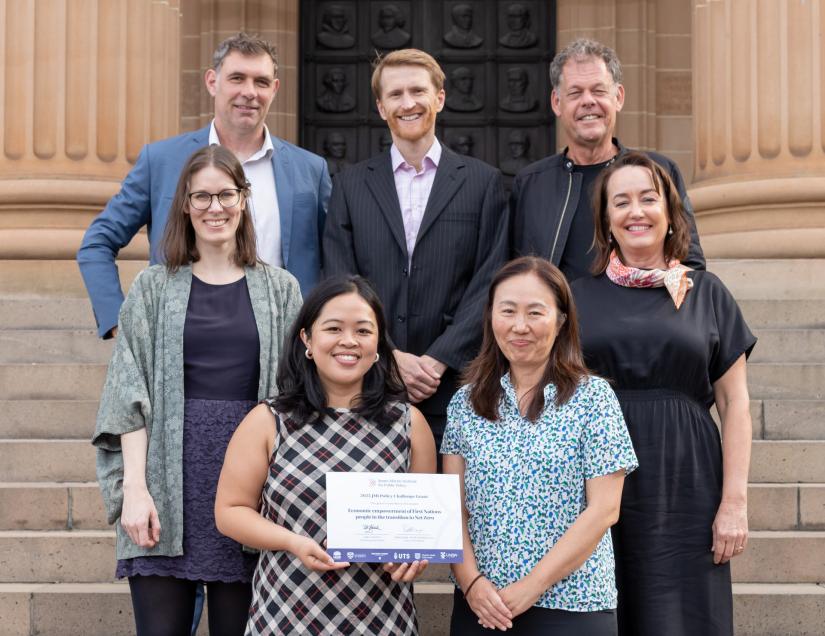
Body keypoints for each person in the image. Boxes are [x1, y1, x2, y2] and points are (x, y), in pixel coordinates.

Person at [92, 145, 303, 636]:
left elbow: (298, 394)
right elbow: (129, 391)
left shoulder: (282, 289)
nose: (215, 207)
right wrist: (136, 490)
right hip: (167, 479)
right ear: (185, 205)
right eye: (201, 196)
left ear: (244, 198)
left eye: (226, 194)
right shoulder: (152, 288)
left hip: (251, 485)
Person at [571, 152, 756, 635]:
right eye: (621, 202)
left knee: (683, 614)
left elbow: (735, 403)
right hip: (597, 479)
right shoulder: (575, 298)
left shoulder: (708, 292)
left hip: (688, 479)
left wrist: (734, 502)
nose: (637, 211)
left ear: (671, 213)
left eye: (649, 199)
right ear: (606, 220)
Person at [215, 275, 436, 634]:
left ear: (379, 342)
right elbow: (229, 512)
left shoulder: (409, 424)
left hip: (381, 620)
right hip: (286, 616)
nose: (348, 341)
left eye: (363, 331)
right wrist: (293, 542)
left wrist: (414, 555)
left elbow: (423, 529)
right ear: (307, 338)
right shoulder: (268, 420)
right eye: (333, 328)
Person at [78, 32, 330, 339]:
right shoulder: (161, 161)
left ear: (274, 89)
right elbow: (97, 243)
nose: (249, 92)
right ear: (212, 81)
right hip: (184, 346)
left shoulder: (310, 169)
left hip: (284, 348)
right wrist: (121, 325)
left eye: (261, 82)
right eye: (237, 78)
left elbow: (338, 258)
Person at [323, 49, 509, 452]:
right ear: (380, 106)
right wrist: (389, 356)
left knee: (455, 511)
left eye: (417, 91)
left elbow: (490, 282)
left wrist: (439, 359)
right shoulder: (350, 186)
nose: (407, 103)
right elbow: (341, 281)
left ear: (439, 98)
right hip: (368, 388)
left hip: (457, 389)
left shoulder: (483, 183)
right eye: (395, 94)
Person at [442, 256, 638, 635]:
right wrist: (471, 583)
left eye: (535, 312)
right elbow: (453, 511)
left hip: (573, 606)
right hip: (482, 607)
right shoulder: (465, 404)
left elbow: (604, 510)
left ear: (561, 320)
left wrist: (530, 589)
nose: (520, 326)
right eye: (508, 311)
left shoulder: (594, 399)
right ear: (491, 317)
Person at [510, 38, 705, 282]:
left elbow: (690, 262)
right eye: (575, 92)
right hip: (559, 320)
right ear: (557, 103)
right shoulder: (530, 184)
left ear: (619, 97)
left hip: (640, 318)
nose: (588, 101)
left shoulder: (659, 171)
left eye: (599, 90)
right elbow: (514, 273)